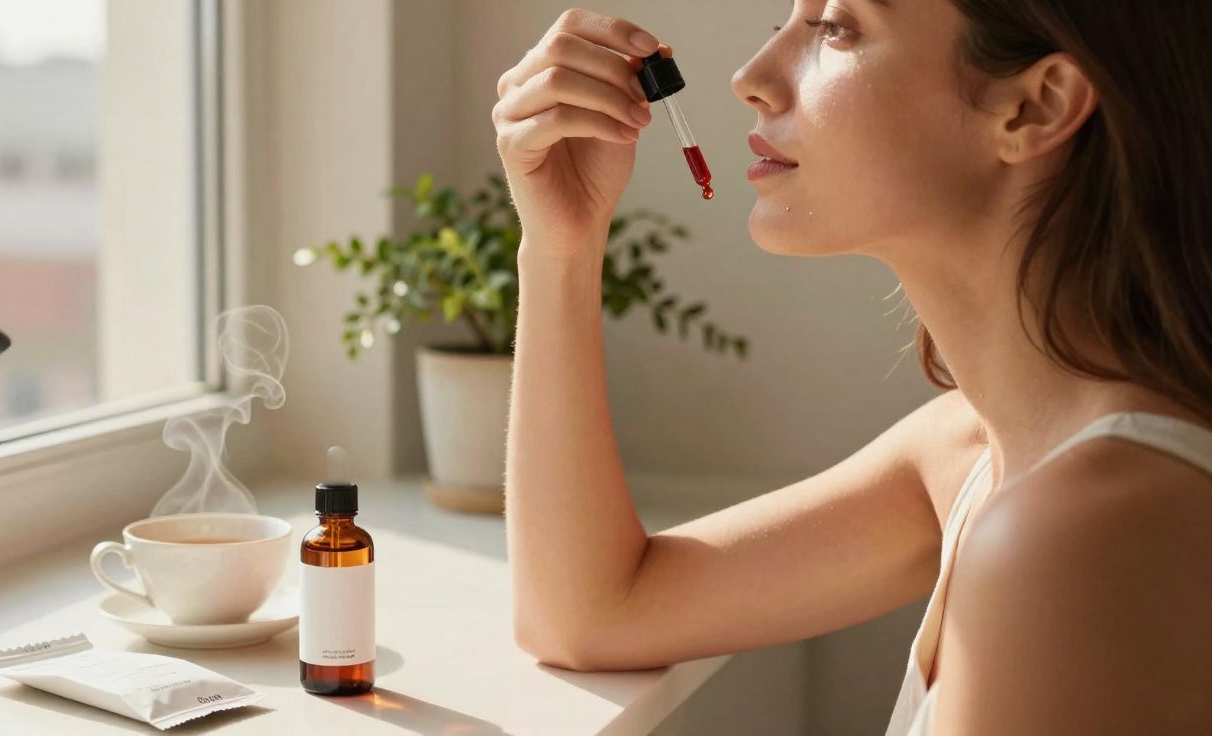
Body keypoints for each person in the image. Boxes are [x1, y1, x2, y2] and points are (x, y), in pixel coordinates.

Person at [492, 3, 1212, 734]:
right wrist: (560, 246)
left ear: (1034, 106)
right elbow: (589, 614)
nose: (751, 78)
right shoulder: (977, 452)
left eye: (835, 25)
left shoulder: (1086, 536)